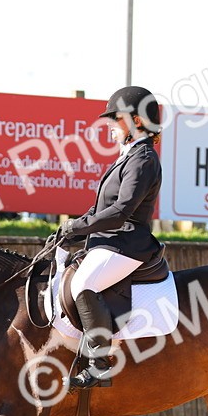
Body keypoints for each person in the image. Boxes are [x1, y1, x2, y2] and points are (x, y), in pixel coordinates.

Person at [59, 85, 164, 390]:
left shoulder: (143, 159)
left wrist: (77, 228)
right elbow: (101, 208)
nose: (110, 127)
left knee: (83, 283)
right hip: (110, 240)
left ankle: (99, 364)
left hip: (129, 242)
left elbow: (120, 211)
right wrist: (73, 229)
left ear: (138, 121)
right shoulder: (127, 157)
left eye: (115, 120)